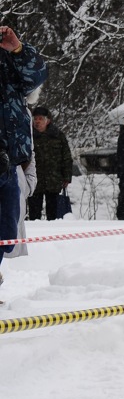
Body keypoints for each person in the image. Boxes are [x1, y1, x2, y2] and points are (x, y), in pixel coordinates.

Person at [0, 25, 48, 289]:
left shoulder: (9, 58)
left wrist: (17, 48)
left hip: (10, 159)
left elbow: (37, 76)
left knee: (7, 231)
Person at [28, 106, 72, 221]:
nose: (37, 121)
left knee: (53, 215)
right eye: (35, 119)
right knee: (34, 214)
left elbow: (66, 157)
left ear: (48, 120)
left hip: (54, 180)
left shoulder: (57, 135)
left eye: (40, 119)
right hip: (35, 180)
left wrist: (67, 176)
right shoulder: (29, 136)